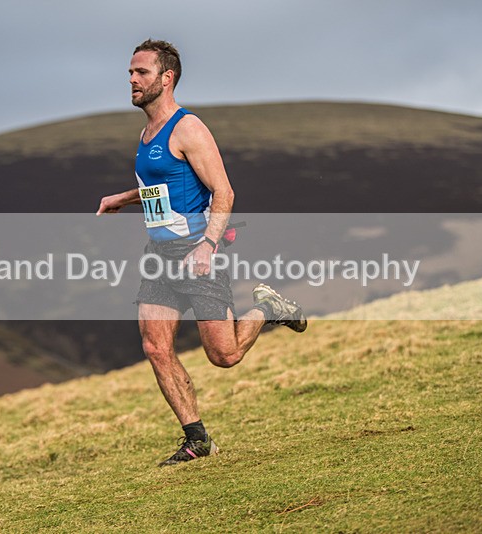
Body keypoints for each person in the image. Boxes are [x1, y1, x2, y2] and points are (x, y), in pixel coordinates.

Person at [96, 39, 307, 467]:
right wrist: (124, 197)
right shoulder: (146, 132)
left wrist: (209, 245)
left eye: (141, 73)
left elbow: (223, 190)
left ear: (166, 77)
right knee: (156, 347)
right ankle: (197, 439)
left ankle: (268, 308)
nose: (132, 80)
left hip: (198, 252)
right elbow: (165, 185)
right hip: (160, 253)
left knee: (224, 355)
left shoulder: (188, 127)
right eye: (130, 73)